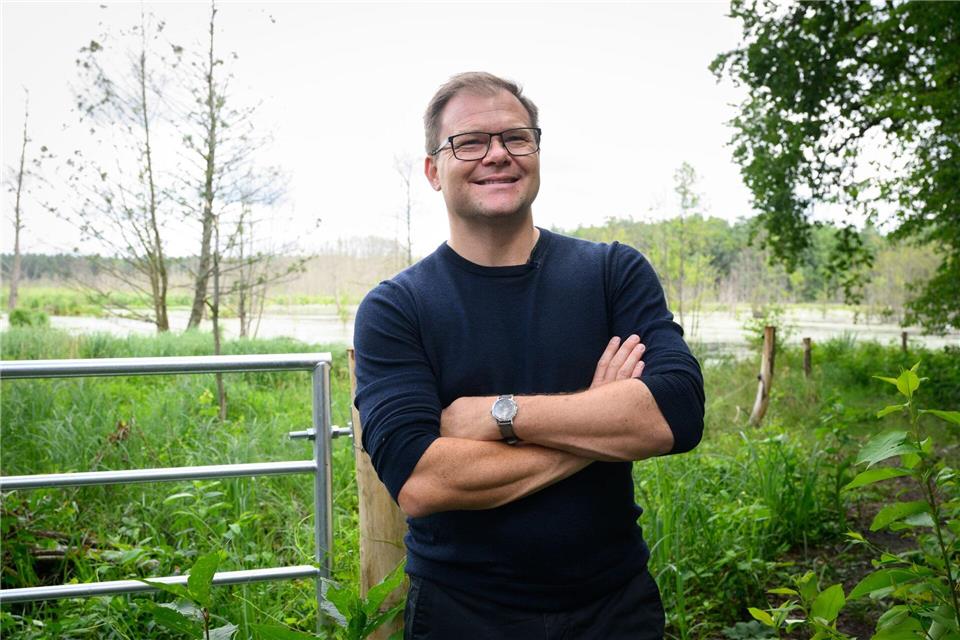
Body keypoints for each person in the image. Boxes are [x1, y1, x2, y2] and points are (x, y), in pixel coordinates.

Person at [353, 71, 704, 639]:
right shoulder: (397, 308)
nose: (498, 154)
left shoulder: (612, 273)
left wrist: (501, 415)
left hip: (614, 607)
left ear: (536, 152)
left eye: (516, 137)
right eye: (470, 142)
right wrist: (599, 417)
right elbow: (421, 481)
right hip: (461, 614)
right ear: (433, 171)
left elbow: (676, 414)